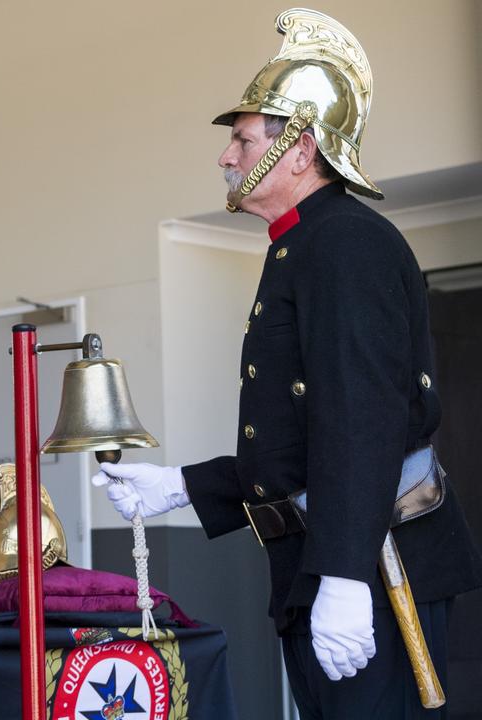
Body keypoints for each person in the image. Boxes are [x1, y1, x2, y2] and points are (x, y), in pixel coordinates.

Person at [92, 9, 482, 718]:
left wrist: (342, 575)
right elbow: (302, 435)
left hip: (372, 566)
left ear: (298, 150)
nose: (226, 157)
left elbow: (360, 420)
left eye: (241, 140)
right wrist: (182, 487)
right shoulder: (301, 245)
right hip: (338, 559)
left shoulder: (344, 245)